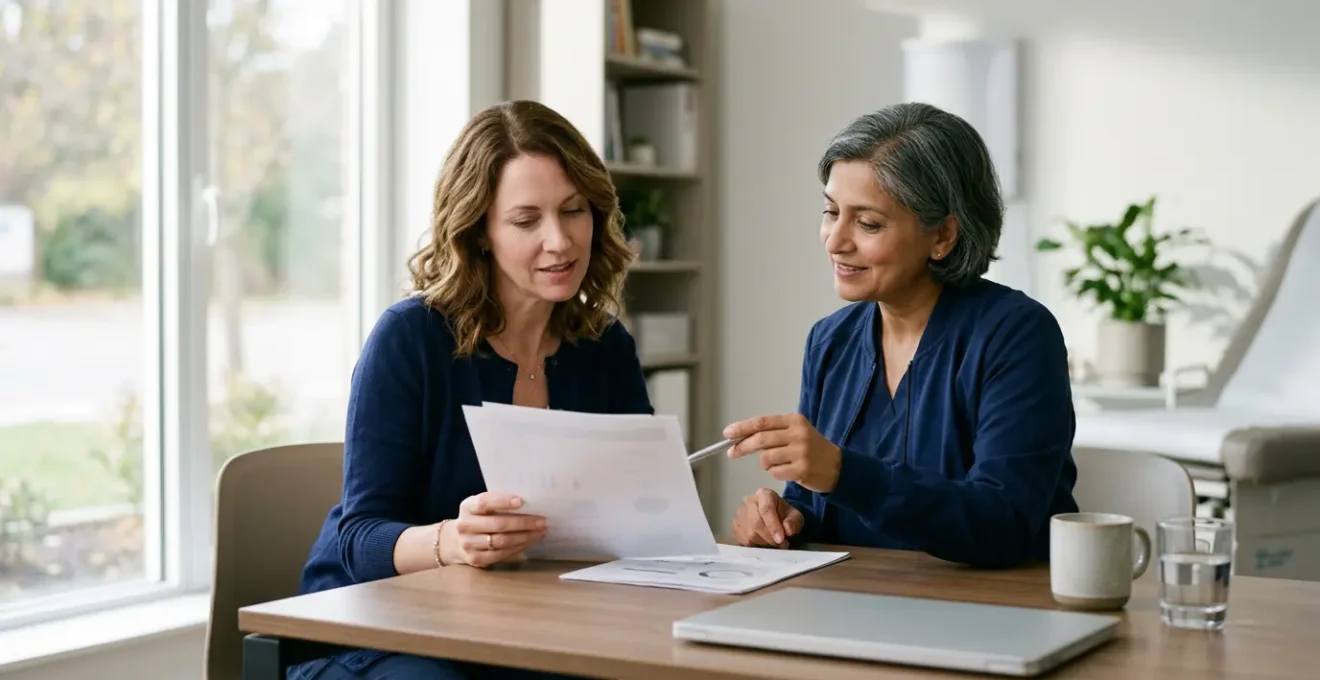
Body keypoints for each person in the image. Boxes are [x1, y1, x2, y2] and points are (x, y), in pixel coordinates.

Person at [289, 100, 651, 680]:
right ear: (481, 230)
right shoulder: (409, 339)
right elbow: (360, 539)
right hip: (378, 633)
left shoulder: (604, 347)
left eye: (573, 210)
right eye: (526, 220)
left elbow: (639, 510)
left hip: (525, 625)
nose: (560, 241)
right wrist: (455, 541)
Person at [724, 102, 1078, 569]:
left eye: (868, 223)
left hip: (992, 604)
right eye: (831, 212)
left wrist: (843, 473)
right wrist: (784, 520)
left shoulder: (1017, 334)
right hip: (856, 601)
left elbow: (1003, 522)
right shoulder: (830, 341)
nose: (835, 241)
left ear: (943, 235)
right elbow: (817, 505)